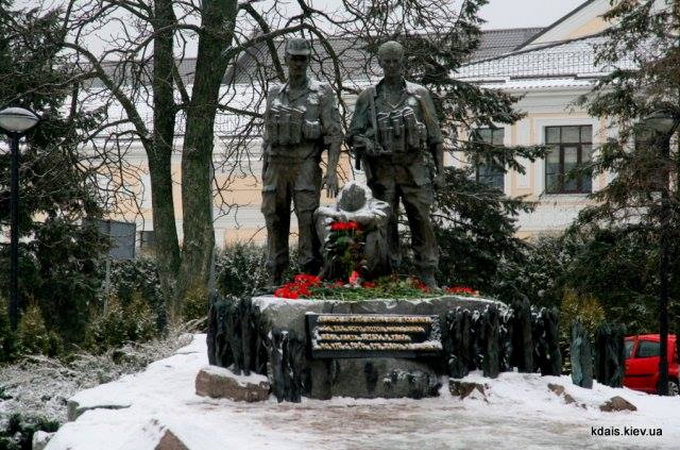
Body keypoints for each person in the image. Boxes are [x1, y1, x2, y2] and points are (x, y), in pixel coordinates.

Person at [348, 40, 444, 288]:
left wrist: (440, 172)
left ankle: (427, 272)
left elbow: (435, 137)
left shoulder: (419, 94)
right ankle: (387, 271)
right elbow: (353, 134)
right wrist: (365, 143)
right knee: (384, 222)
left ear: (403, 62)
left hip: (414, 169)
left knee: (421, 219)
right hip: (382, 171)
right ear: (380, 63)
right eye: (386, 62)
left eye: (396, 61)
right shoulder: (368, 97)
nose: (391, 66)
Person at [261, 37, 343, 287]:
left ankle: (308, 274)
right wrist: (265, 171)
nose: (298, 63)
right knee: (275, 217)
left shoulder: (322, 92)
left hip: (305, 164)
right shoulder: (275, 93)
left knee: (307, 219)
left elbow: (334, 134)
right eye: (294, 58)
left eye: (303, 58)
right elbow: (266, 136)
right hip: (276, 166)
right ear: (286, 59)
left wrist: (331, 171)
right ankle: (275, 274)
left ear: (309, 60)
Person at [315, 181, 391, 280]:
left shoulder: (380, 206)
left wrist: (347, 217)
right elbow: (319, 212)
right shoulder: (335, 208)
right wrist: (338, 217)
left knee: (373, 234)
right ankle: (333, 270)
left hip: (369, 254)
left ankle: (364, 275)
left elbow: (379, 217)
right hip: (343, 249)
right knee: (331, 232)